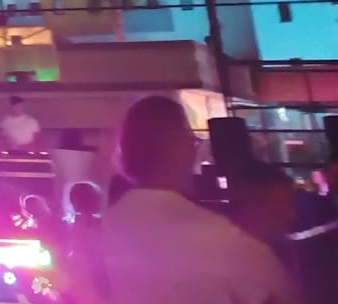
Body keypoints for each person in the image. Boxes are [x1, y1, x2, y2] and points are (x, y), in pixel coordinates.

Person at [102, 95, 302, 304]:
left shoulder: (105, 227)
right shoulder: (220, 235)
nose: (194, 146)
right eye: (190, 137)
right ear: (178, 145)